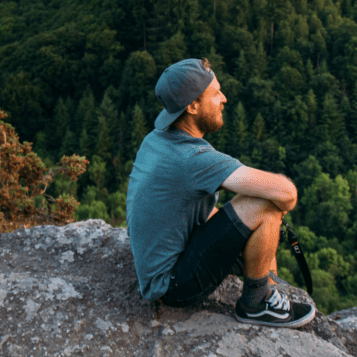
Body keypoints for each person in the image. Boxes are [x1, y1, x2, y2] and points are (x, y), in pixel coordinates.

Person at [126, 57, 315, 328]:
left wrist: (243, 233)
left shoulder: (156, 140)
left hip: (167, 259)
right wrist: (267, 216)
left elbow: (188, 209)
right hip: (172, 285)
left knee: (259, 211)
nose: (224, 98)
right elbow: (288, 194)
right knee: (266, 204)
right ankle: (257, 303)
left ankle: (263, 280)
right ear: (192, 106)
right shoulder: (193, 159)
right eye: (216, 93)